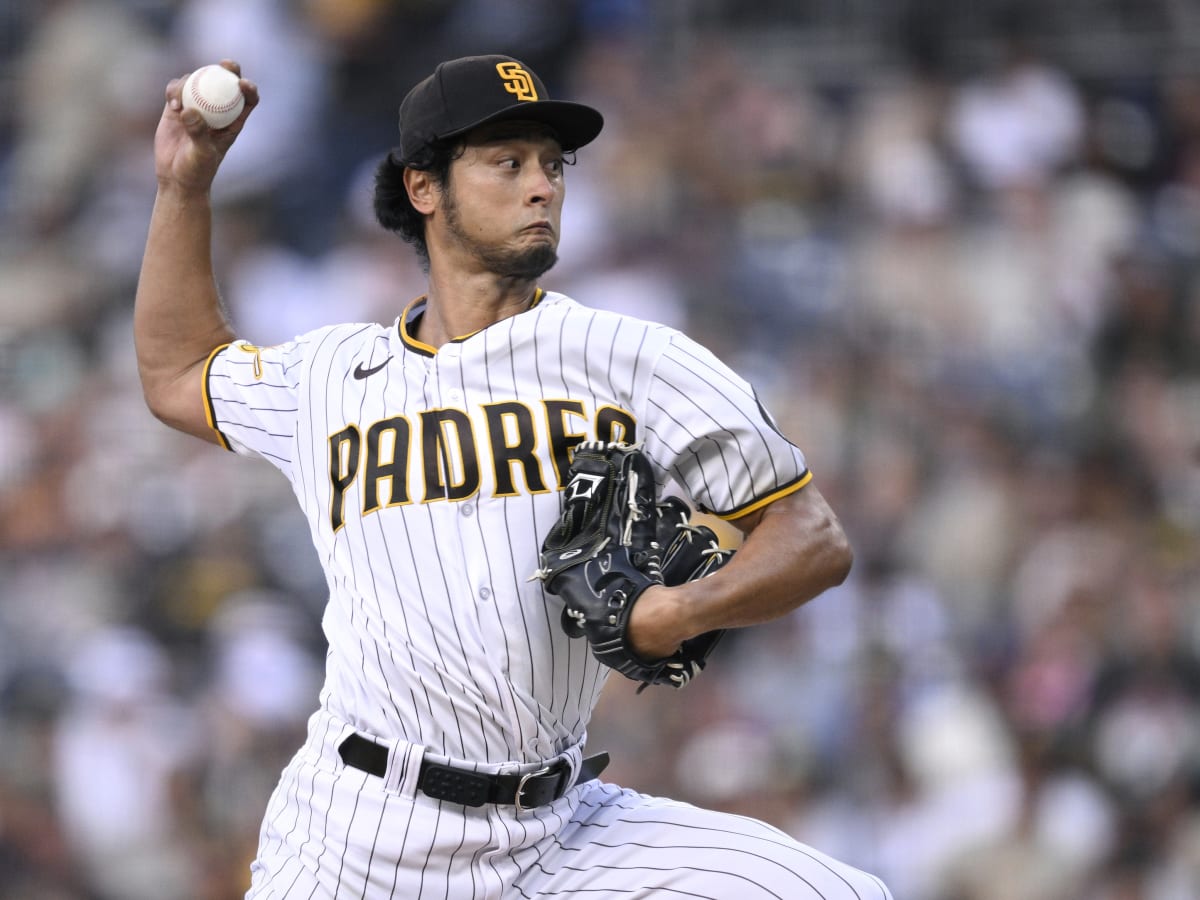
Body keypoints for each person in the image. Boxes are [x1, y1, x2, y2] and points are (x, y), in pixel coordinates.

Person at [135, 54, 892, 899]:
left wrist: (680, 610)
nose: (544, 186)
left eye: (552, 164)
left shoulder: (631, 357)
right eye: (508, 162)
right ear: (425, 189)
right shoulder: (330, 376)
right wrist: (184, 185)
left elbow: (813, 539)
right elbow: (177, 374)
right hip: (356, 832)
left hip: (561, 832)